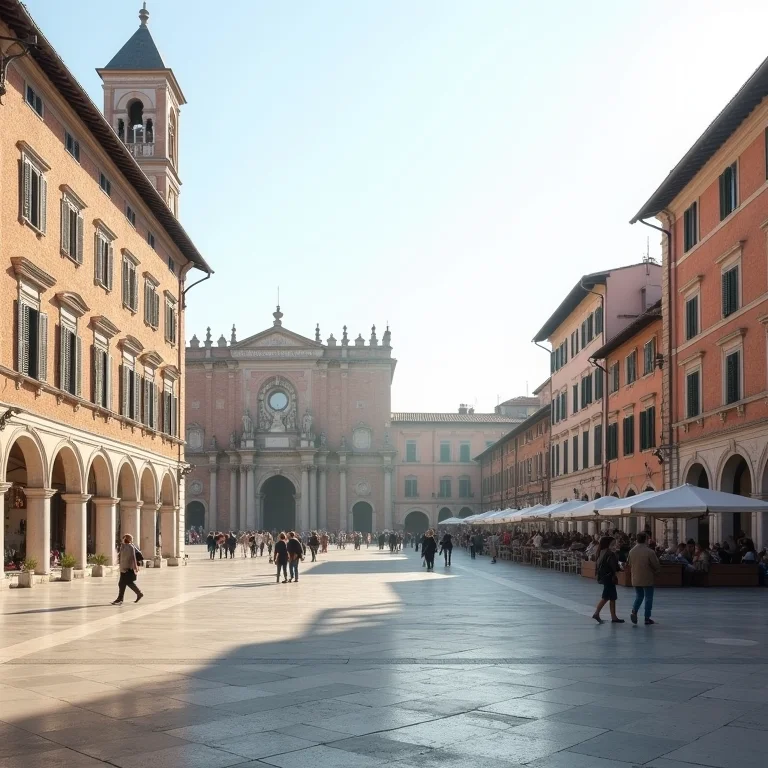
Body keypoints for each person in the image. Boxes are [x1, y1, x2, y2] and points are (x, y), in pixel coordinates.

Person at [627, 531, 661, 625]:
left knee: (639, 596)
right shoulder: (650, 552)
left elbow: (629, 563)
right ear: (646, 539)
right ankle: (647, 618)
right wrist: (657, 571)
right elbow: (656, 564)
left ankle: (634, 611)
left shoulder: (632, 551)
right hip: (648, 577)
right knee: (648, 598)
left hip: (636, 577)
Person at [592, 537, 624, 624]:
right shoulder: (610, 554)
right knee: (607, 597)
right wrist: (619, 568)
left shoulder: (600, 552)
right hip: (609, 577)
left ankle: (613, 616)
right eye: (613, 543)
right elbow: (613, 566)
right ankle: (597, 613)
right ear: (608, 544)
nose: (614, 545)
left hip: (604, 577)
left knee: (611, 597)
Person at [112, 534, 144, 605]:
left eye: (124, 538)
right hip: (124, 568)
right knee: (125, 583)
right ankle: (139, 593)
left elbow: (128, 558)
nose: (122, 539)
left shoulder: (129, 547)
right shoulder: (124, 546)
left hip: (126, 568)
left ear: (126, 539)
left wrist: (126, 568)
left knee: (124, 583)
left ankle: (120, 599)